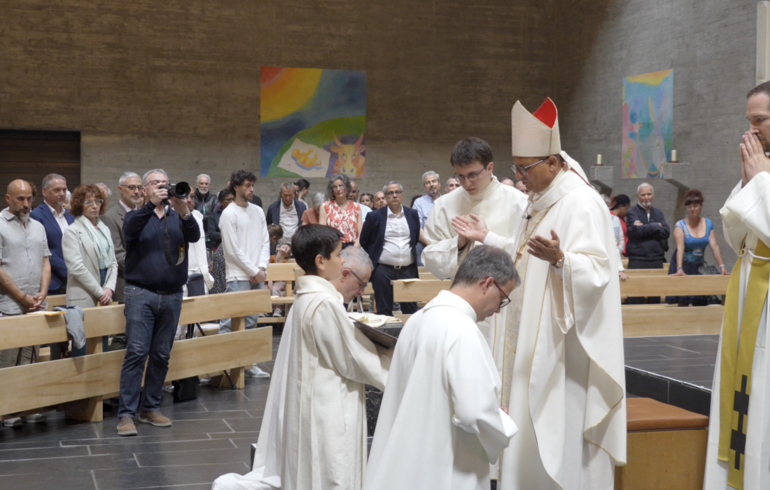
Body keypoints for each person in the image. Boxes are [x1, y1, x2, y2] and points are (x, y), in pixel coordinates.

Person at [491, 98, 625, 489]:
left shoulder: (581, 202)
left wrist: (563, 261)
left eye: (525, 168)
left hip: (566, 350)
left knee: (559, 426)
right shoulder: (538, 202)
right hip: (531, 332)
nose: (519, 177)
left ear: (553, 162)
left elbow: (600, 271)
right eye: (515, 168)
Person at [212, 245, 374, 490]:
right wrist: (389, 360)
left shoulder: (311, 297)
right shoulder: (324, 303)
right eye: (362, 283)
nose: (362, 292)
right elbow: (351, 359)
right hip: (321, 399)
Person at [364, 246, 519, 490]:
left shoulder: (418, 318)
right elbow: (474, 412)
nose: (499, 309)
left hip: (407, 461)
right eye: (502, 298)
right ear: (487, 283)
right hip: (445, 468)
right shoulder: (463, 330)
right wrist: (500, 419)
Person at [703, 80, 770, 490]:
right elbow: (738, 237)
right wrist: (750, 183)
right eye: (749, 121)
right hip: (748, 292)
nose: (752, 132)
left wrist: (761, 181)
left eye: (760, 120)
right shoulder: (763, 166)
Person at [422, 137, 527, 374]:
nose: (466, 183)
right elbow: (430, 257)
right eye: (460, 176)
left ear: (490, 168)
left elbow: (527, 253)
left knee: (503, 369)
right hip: (463, 306)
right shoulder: (444, 205)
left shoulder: (518, 203)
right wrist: (458, 243)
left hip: (506, 305)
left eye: (472, 175)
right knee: (466, 371)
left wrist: (487, 236)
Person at [116, 168, 201, 437]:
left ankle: (150, 408)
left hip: (173, 294)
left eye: (166, 184)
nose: (163, 188)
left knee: (162, 354)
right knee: (137, 353)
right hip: (141, 293)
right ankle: (126, 415)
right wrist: (151, 205)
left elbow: (195, 236)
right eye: (156, 184)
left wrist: (183, 209)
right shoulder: (135, 216)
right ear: (144, 189)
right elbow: (129, 232)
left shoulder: (179, 217)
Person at [0, 180, 51, 427]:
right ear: (8, 199)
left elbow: (46, 262)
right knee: (10, 358)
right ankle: (7, 410)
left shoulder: (38, 226)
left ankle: (28, 405)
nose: (26, 203)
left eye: (29, 198)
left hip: (36, 300)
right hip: (10, 301)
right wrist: (21, 296)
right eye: (20, 199)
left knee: (32, 355)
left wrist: (42, 292)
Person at [218, 170, 271, 379]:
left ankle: (248, 364)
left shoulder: (257, 211)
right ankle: (223, 367)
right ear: (236, 187)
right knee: (230, 323)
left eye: (252, 185)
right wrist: (254, 271)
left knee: (251, 322)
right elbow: (232, 250)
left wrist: (262, 268)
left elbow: (265, 242)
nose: (252, 189)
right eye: (248, 186)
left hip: (256, 274)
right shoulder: (229, 214)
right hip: (238, 276)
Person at [62, 185, 118, 355]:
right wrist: (99, 291)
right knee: (83, 345)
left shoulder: (104, 228)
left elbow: (113, 262)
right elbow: (76, 267)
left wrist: (109, 287)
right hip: (84, 288)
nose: (95, 206)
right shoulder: (72, 231)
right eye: (89, 202)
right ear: (79, 204)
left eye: (98, 201)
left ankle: (101, 381)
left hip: (105, 285)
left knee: (103, 341)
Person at [360, 181, 421, 316]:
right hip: (383, 270)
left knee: (410, 310)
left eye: (397, 192)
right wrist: (375, 254)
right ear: (386, 196)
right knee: (384, 310)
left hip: (408, 269)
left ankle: (409, 337)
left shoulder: (412, 214)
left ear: (402, 195)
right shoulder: (374, 216)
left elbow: (414, 238)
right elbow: (364, 240)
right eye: (390, 193)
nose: (394, 195)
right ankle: (386, 337)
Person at [666, 190, 729, 306]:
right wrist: (679, 269)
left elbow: (714, 246)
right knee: (683, 300)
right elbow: (680, 248)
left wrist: (722, 267)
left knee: (700, 300)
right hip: (683, 263)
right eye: (689, 207)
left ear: (701, 206)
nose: (692, 209)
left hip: (699, 266)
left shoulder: (708, 223)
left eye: (695, 206)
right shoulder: (680, 225)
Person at [30, 173, 74, 296]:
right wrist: (68, 271)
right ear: (44, 191)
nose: (62, 193)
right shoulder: (36, 216)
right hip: (54, 282)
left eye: (64, 190)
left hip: (76, 280)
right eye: (57, 190)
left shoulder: (71, 215)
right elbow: (44, 250)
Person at [625, 183, 670, 304]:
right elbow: (635, 231)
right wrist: (656, 226)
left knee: (655, 295)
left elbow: (666, 232)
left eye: (649, 194)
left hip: (656, 259)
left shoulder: (658, 213)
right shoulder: (632, 212)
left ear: (653, 195)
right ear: (637, 196)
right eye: (643, 194)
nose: (646, 197)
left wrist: (645, 227)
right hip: (638, 259)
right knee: (636, 294)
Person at [319, 173, 362, 247]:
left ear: (347, 188)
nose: (338, 189)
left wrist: (354, 249)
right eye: (335, 187)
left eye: (341, 186)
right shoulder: (325, 206)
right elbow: (321, 233)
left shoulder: (356, 207)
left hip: (352, 247)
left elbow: (361, 234)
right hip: (332, 247)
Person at [413, 171, 442, 266]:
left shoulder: (447, 200)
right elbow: (417, 227)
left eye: (434, 181)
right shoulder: (419, 202)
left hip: (446, 243)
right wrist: (431, 245)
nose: (431, 184)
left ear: (439, 184)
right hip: (425, 244)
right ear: (424, 187)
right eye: (428, 182)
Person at [266, 182, 306, 247]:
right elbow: (268, 226)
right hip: (278, 246)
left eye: (290, 195)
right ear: (281, 194)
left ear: (295, 194)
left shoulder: (301, 207)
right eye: (285, 195)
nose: (288, 198)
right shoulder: (273, 207)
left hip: (297, 246)